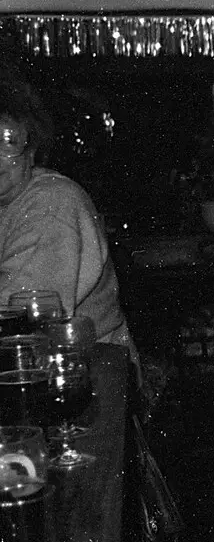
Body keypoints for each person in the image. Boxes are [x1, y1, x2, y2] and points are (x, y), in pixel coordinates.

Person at [0, 77, 130, 347]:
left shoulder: (51, 202)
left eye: (7, 141)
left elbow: (14, 314)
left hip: (82, 378)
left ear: (31, 147)